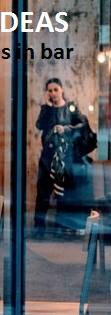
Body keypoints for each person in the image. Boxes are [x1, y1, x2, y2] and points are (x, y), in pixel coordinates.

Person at [33, 78, 92, 237]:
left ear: (62, 90)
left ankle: (60, 228)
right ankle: (40, 229)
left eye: (55, 90)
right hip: (47, 157)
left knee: (63, 194)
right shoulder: (47, 108)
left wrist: (66, 128)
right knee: (43, 193)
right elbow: (39, 125)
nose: (53, 93)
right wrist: (47, 106)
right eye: (50, 90)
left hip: (65, 157)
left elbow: (82, 126)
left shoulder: (70, 107)